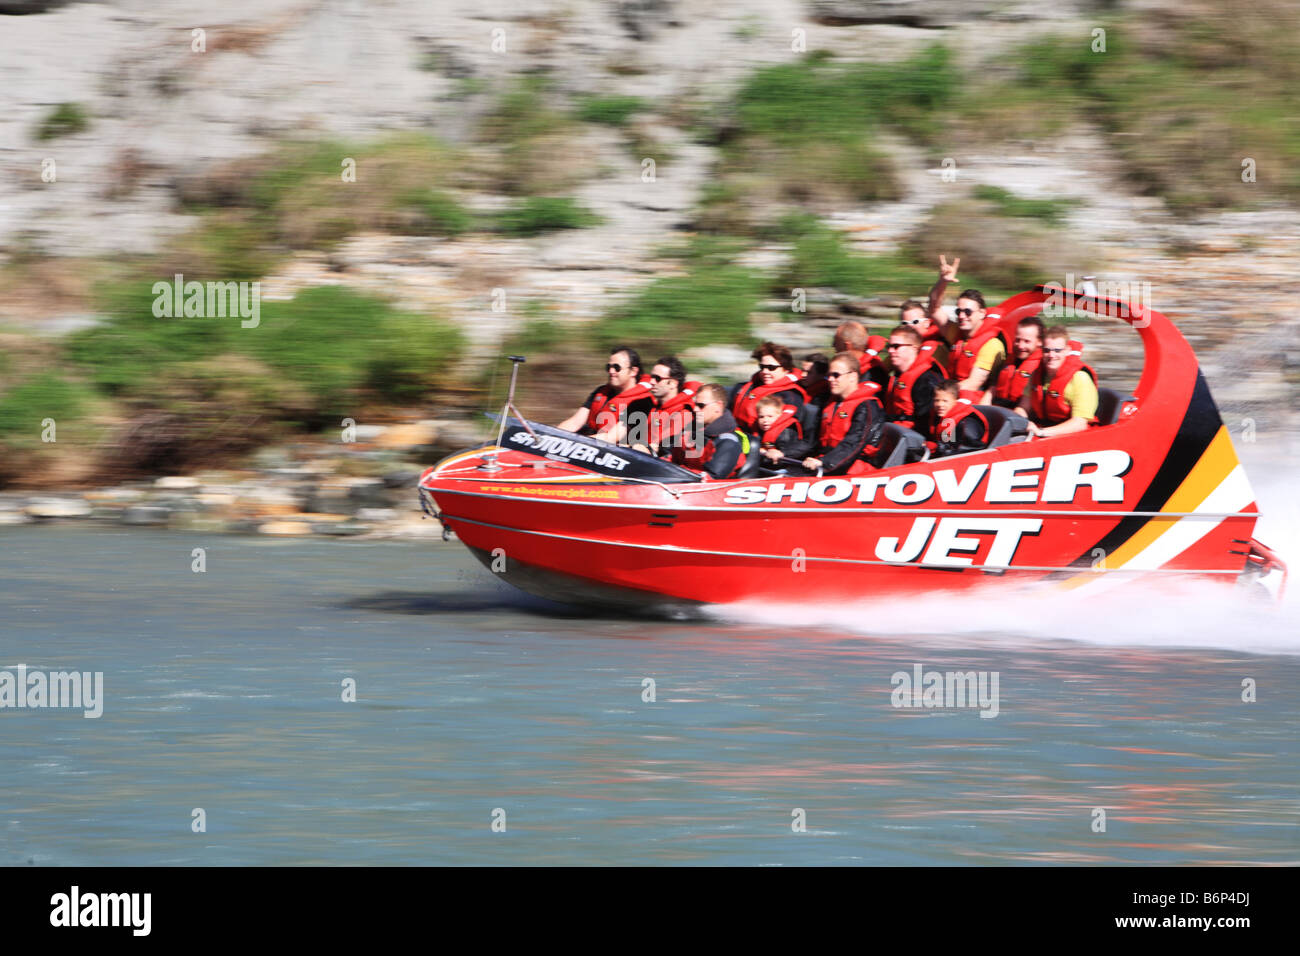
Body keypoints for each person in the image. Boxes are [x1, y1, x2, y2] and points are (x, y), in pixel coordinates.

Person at [925, 255, 1006, 402]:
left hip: (971, 400)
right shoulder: (957, 332)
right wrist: (943, 281)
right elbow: (933, 309)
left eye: (968, 312)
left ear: (982, 313)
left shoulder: (991, 345)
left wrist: (940, 396)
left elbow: (973, 384)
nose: (962, 316)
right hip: (949, 395)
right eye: (958, 311)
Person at [801, 352, 883, 476]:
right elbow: (811, 441)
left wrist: (824, 462)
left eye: (836, 375)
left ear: (852, 376)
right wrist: (783, 452)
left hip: (853, 470)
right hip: (826, 463)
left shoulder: (866, 406)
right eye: (829, 375)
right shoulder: (831, 403)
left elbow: (853, 444)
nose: (830, 380)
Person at [556, 345, 654, 442]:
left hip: (619, 451)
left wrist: (575, 441)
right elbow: (575, 422)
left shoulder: (642, 402)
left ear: (633, 371)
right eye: (608, 367)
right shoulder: (601, 392)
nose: (611, 371)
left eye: (617, 367)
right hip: (590, 442)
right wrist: (553, 435)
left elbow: (611, 438)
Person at [1015, 326, 1100, 438]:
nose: (1051, 355)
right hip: (1042, 431)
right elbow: (1023, 408)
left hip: (1073, 438)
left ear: (1067, 351)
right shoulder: (1036, 374)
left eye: (1057, 350)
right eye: (1046, 350)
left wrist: (1041, 432)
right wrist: (1018, 422)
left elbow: (1080, 423)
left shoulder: (1080, 379)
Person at [729, 342, 807, 431]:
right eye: (762, 367)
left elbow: (787, 431)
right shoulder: (743, 387)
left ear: (786, 369)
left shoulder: (791, 396)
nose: (765, 371)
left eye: (771, 367)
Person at [882, 325, 944, 433]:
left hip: (917, 441)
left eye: (896, 346)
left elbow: (932, 423)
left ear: (914, 348)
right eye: (889, 346)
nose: (891, 351)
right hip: (895, 435)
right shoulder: (896, 377)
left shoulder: (927, 380)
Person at [687, 383, 752, 479]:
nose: (695, 409)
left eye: (701, 405)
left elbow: (711, 479)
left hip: (706, 489)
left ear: (718, 406)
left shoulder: (729, 441)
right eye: (695, 405)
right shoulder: (691, 431)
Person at [644, 356, 698, 456]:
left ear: (673, 383)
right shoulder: (653, 406)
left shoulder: (683, 413)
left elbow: (659, 446)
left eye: (657, 378)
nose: (651, 382)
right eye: (652, 377)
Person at [929, 379, 991, 458]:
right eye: (937, 400)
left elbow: (971, 452)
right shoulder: (939, 417)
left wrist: (935, 449)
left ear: (955, 401)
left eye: (945, 401)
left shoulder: (966, 422)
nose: (940, 404)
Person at [992, 317, 1043, 409]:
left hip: (1021, 411)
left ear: (1039, 342)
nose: (1020, 346)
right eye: (1018, 340)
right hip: (997, 406)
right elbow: (992, 388)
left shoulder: (1041, 367)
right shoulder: (1009, 359)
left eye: (1026, 341)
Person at [754, 394, 812, 466]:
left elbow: (786, 456)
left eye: (770, 416)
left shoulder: (785, 433)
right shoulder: (758, 430)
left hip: (786, 466)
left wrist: (778, 453)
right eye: (761, 417)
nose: (765, 420)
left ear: (779, 416)